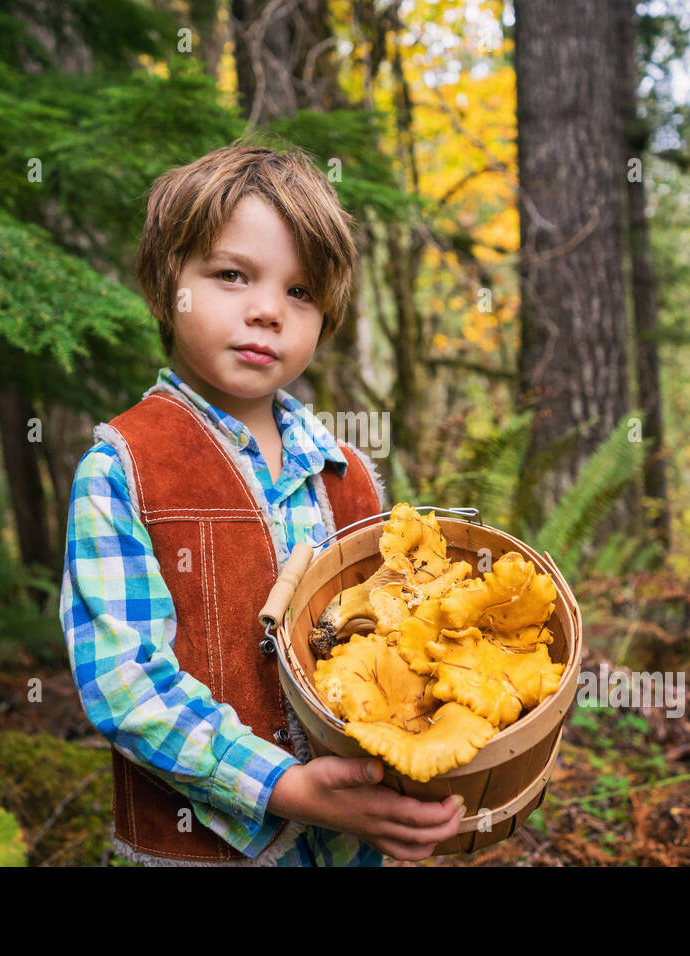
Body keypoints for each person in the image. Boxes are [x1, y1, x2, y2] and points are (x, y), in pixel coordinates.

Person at [58, 141, 465, 867]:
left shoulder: (351, 475)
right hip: (203, 850)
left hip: (348, 849)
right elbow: (126, 686)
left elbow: (395, 641)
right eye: (232, 275)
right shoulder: (124, 468)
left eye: (300, 291)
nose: (268, 310)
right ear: (166, 285)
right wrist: (286, 787)